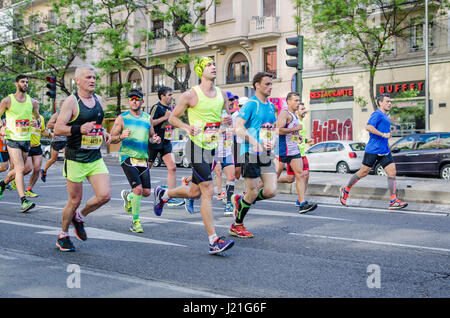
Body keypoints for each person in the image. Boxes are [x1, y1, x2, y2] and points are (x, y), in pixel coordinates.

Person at [153, 56, 234, 255]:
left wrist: (226, 123)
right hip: (195, 147)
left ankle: (163, 194)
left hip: (211, 148)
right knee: (208, 189)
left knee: (194, 193)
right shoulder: (191, 95)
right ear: (200, 70)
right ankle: (213, 240)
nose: (213, 67)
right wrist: (187, 127)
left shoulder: (222, 95)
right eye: (208, 65)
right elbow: (172, 118)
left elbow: (224, 117)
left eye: (214, 64)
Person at [54, 64, 111, 252]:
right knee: (74, 200)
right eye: (88, 77)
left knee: (104, 196)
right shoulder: (71, 102)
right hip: (75, 157)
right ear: (77, 81)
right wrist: (79, 128)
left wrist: (103, 132)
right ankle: (63, 235)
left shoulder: (100, 101)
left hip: (94, 157)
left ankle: (80, 216)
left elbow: (97, 125)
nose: (92, 80)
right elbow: (58, 128)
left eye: (94, 77)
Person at [340, 93, 408, 210]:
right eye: (387, 101)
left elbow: (382, 132)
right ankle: (345, 189)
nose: (390, 103)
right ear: (380, 102)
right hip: (373, 149)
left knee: (392, 172)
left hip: (384, 150)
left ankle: (393, 200)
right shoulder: (377, 114)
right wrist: (383, 134)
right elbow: (368, 127)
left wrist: (387, 136)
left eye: (390, 101)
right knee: (364, 172)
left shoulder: (385, 116)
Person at [230, 72, 278, 238]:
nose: (270, 87)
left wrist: (272, 142)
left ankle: (241, 200)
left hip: (265, 153)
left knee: (271, 190)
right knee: (252, 190)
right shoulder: (251, 104)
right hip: (249, 152)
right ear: (257, 85)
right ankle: (237, 224)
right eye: (267, 84)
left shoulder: (271, 106)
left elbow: (271, 129)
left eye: (271, 84)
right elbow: (238, 127)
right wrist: (253, 141)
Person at [111, 89, 161, 233]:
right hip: (127, 157)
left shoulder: (147, 118)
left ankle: (128, 196)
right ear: (129, 101)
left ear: (142, 101)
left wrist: (155, 139)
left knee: (146, 192)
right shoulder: (122, 118)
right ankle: (136, 222)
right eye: (132, 99)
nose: (134, 101)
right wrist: (121, 136)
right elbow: (111, 139)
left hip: (142, 158)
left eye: (137, 99)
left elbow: (151, 136)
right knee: (138, 189)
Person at [0, 75, 40, 212]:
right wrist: (2, 127)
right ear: (16, 83)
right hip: (12, 139)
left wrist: (37, 122)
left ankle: (2, 184)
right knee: (20, 168)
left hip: (26, 139)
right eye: (22, 82)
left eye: (27, 82)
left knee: (25, 169)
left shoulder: (33, 102)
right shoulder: (7, 101)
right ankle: (24, 201)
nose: (25, 84)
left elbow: (38, 117)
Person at [275, 99, 317, 213]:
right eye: (301, 108)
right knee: (286, 178)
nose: (304, 110)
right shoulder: (291, 118)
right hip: (288, 151)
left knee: (302, 175)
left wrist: (306, 140)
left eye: (303, 108)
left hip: (298, 152)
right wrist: (296, 131)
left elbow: (296, 137)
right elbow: (280, 130)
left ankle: (301, 200)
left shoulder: (298, 121)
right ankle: (256, 190)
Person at [147, 86, 183, 207]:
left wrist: (173, 124)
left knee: (172, 167)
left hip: (166, 142)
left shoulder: (170, 109)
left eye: (172, 95)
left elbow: (170, 124)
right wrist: (164, 117)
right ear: (162, 96)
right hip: (154, 141)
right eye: (169, 95)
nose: (172, 97)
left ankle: (170, 196)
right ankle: (134, 191)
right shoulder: (156, 107)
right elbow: (149, 123)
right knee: (146, 168)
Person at [212, 94, 236, 216]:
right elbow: (205, 135)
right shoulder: (211, 114)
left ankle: (229, 203)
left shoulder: (229, 115)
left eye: (229, 100)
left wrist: (231, 129)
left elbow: (233, 130)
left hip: (227, 150)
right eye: (226, 100)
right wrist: (218, 131)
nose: (228, 102)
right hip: (213, 151)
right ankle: (189, 194)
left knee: (231, 177)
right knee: (201, 178)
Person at [24, 113, 52, 197]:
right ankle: (9, 180)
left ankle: (29, 189)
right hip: (26, 145)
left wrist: (51, 135)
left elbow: (42, 131)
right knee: (27, 169)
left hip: (37, 146)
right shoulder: (25, 115)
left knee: (37, 168)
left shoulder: (41, 118)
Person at [40, 103, 67, 182]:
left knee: (68, 157)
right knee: (53, 159)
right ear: (61, 107)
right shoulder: (57, 114)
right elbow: (48, 125)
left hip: (66, 140)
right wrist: (59, 125)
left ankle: (68, 177)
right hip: (57, 139)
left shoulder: (70, 114)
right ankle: (44, 170)